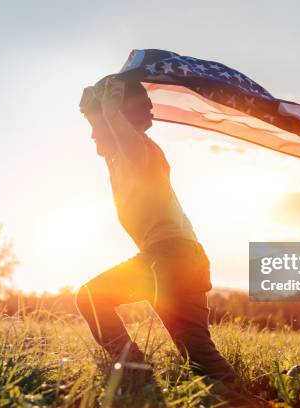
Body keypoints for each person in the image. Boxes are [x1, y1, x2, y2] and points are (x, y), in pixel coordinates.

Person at [76, 76, 247, 392]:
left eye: (97, 128)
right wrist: (95, 112)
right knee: (199, 358)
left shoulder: (141, 152)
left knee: (91, 297)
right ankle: (241, 397)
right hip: (186, 258)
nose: (91, 136)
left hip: (167, 256)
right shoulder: (122, 160)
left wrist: (111, 113)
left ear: (120, 121)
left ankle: (137, 378)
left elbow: (128, 143)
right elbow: (115, 141)